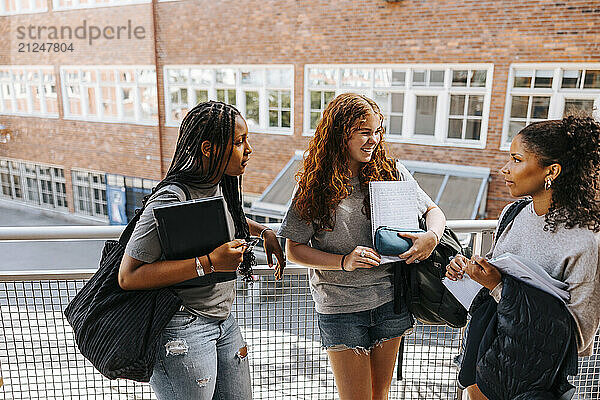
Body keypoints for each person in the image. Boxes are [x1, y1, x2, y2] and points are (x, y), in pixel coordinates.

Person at [278, 93, 447, 400]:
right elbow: (294, 250)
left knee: (379, 396)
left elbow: (433, 211)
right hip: (341, 307)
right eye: (365, 132)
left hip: (389, 300)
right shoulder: (314, 184)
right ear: (341, 133)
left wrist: (431, 237)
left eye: (378, 131)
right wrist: (344, 261)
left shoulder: (390, 170)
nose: (374, 140)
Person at [118, 101, 285, 399]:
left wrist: (264, 231)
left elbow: (225, 217)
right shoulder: (170, 197)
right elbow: (128, 276)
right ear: (208, 148)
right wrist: (209, 262)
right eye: (239, 142)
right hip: (182, 328)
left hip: (224, 320)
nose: (249, 150)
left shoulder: (217, 185)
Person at [446, 115, 600, 399]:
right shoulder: (513, 213)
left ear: (550, 171)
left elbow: (578, 337)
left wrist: (499, 287)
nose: (505, 169)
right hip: (484, 361)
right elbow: (491, 280)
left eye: (517, 160)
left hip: (529, 381)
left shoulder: (585, 240)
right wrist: (469, 271)